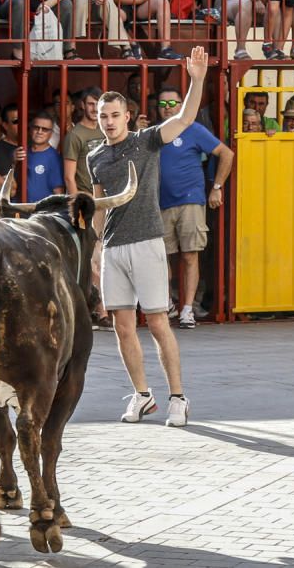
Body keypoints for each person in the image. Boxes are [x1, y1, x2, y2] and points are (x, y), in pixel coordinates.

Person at [86, 46, 208, 428]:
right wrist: (95, 248)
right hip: (113, 247)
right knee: (122, 326)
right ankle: (141, 395)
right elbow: (100, 204)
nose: (108, 121)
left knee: (157, 322)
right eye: (102, 116)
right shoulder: (94, 156)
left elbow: (186, 117)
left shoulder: (147, 140)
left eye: (114, 115)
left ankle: (177, 398)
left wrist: (197, 78)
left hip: (147, 242)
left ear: (126, 116)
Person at [156, 86, 233, 329]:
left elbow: (226, 153)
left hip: (190, 200)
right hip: (160, 203)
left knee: (190, 255)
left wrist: (217, 187)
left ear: (182, 105)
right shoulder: (153, 133)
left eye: (173, 104)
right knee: (161, 257)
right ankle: (166, 303)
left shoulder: (194, 129)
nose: (168, 109)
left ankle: (187, 310)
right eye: (163, 104)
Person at [24, 110, 64, 201]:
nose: (40, 132)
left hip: (42, 213)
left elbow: (58, 193)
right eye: (36, 127)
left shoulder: (54, 158)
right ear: (30, 129)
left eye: (45, 129)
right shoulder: (22, 152)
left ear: (51, 133)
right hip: (21, 211)